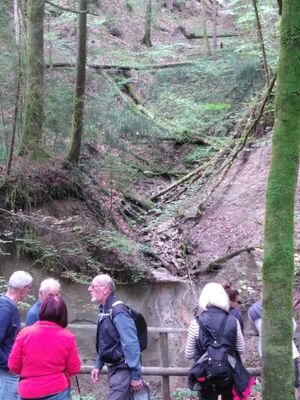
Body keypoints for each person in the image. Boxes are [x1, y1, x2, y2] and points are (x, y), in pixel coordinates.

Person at [185, 282, 253, 400]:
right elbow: (241, 348)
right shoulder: (233, 321)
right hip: (228, 374)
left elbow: (188, 354)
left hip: (206, 377)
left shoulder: (196, 323)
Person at [8, 296, 81, 400]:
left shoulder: (24, 334)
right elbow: (74, 369)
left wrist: (30, 374)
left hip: (28, 390)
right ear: (64, 314)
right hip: (58, 390)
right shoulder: (68, 337)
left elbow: (13, 366)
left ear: (42, 310)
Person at [89, 274, 144, 400]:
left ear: (106, 289)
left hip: (123, 369)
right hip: (114, 369)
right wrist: (98, 365)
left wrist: (135, 376)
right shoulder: (104, 310)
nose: (89, 289)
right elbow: (106, 341)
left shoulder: (118, 311)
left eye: (93, 286)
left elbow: (131, 343)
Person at [248, 299, 300, 390]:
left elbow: (256, 331)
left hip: (267, 354)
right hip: (288, 351)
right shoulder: (280, 305)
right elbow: (293, 326)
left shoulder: (252, 311)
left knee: (274, 387)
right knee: (293, 385)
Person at [0, 270, 33, 400]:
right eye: (29, 289)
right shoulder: (6, 308)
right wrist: (7, 365)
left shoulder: (3, 303)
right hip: (5, 373)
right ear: (23, 289)